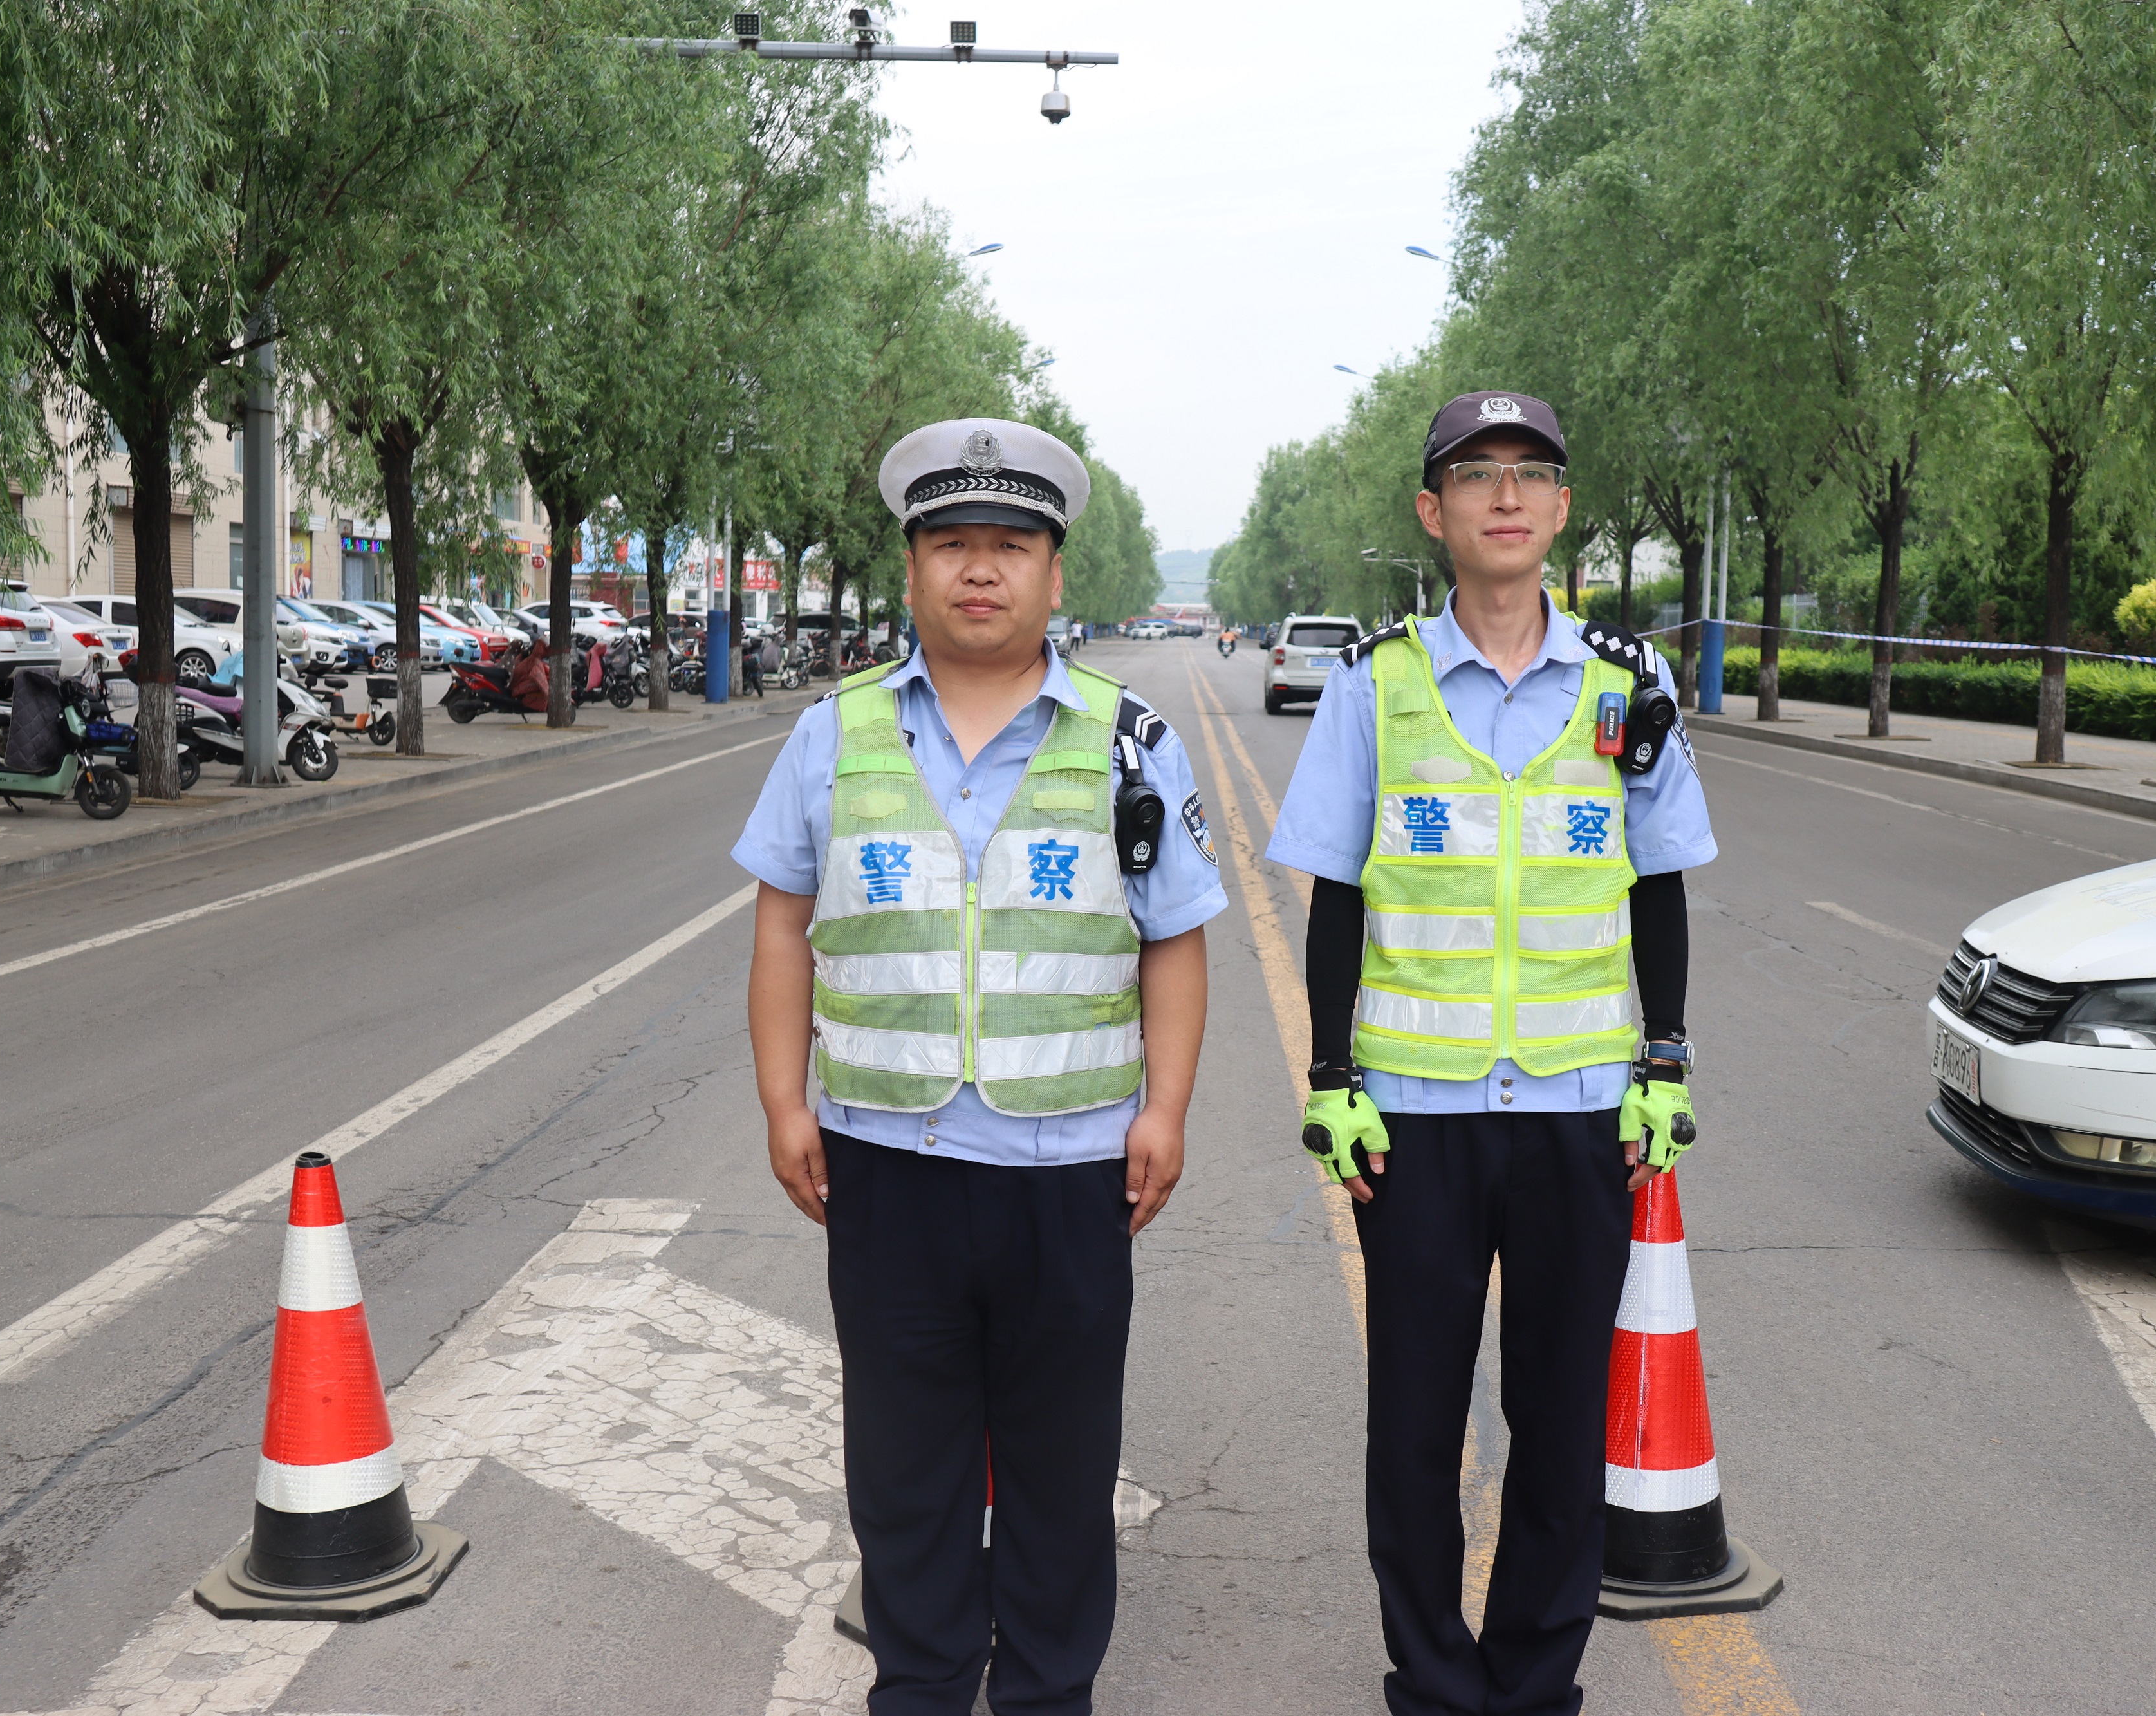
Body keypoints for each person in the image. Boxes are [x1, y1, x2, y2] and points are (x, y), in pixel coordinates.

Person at [733, 417, 1227, 1716]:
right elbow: (783, 923)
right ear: (910, 571)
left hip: (1069, 1177)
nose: (979, 570)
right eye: (950, 544)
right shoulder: (832, 735)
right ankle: (920, 1684)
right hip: (886, 1167)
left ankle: (1046, 1695)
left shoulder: (1126, 740)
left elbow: (1174, 941)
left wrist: (1164, 1109)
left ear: (1055, 577)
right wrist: (786, 1101)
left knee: (1062, 1475)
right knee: (905, 1471)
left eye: (1008, 546)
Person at [1265, 391, 1716, 1716]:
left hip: (1582, 1111)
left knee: (1560, 1421)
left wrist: (1666, 1058)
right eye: (1475, 475)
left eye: (1529, 474)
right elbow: (1338, 892)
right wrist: (1332, 1078)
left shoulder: (1626, 691)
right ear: (1433, 511)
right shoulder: (1375, 689)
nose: (1504, 496)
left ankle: (1531, 1679)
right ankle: (1433, 1675)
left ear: (1562, 509)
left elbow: (1657, 883)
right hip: (1414, 1117)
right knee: (1411, 1424)